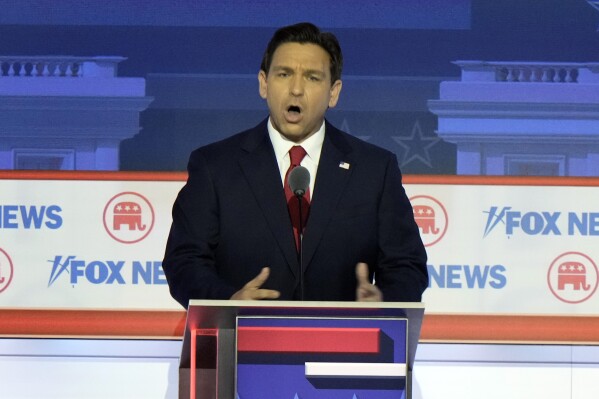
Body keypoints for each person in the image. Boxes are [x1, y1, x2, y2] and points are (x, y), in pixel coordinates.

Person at [162, 22, 428, 308]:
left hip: (341, 346)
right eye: (284, 74)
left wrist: (384, 302)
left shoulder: (374, 169)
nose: (296, 89)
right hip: (241, 345)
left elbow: (407, 265)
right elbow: (184, 261)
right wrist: (227, 302)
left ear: (334, 92)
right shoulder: (215, 166)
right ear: (264, 84)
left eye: (312, 78)